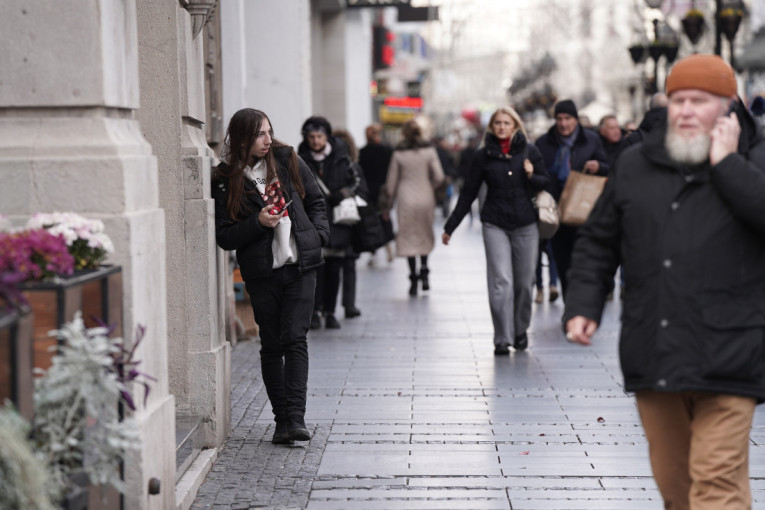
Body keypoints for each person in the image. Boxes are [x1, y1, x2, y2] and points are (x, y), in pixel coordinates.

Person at [563, 54, 765, 509]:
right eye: (678, 101)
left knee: (715, 484)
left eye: (700, 100)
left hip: (730, 356)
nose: (687, 110)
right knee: (677, 489)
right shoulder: (636, 165)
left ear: (730, 105)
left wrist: (727, 164)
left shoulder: (757, 155)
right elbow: (598, 242)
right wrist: (582, 306)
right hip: (656, 352)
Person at [212, 108, 329, 444]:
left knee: (295, 338)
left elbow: (317, 199)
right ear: (242, 138)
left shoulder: (286, 158)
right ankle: (281, 420)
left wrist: (317, 234)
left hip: (300, 265)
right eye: (259, 134)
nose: (267, 139)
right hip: (262, 272)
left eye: (268, 131)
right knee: (272, 344)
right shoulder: (225, 178)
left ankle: (296, 419)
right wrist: (257, 224)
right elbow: (224, 236)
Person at [442, 106, 549, 354]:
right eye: (497, 123)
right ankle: (502, 337)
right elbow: (469, 192)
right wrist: (451, 226)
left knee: (524, 282)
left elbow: (546, 182)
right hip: (495, 223)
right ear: (492, 127)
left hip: (526, 224)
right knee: (501, 282)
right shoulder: (482, 156)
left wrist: (532, 175)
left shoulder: (529, 150)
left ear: (515, 126)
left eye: (506, 123)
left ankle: (520, 330)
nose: (501, 127)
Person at [535, 99, 609, 297]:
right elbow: (537, 174)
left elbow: (607, 167)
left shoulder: (591, 140)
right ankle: (570, 303)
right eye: (559, 118)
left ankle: (579, 302)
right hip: (555, 212)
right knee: (562, 261)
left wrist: (598, 167)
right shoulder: (544, 143)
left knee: (582, 261)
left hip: (583, 211)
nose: (563, 123)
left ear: (575, 119)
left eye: (568, 118)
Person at [298, 116, 363, 329]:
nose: (315, 141)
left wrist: (342, 193)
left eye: (319, 136)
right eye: (311, 137)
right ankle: (315, 311)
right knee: (315, 270)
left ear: (327, 137)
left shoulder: (342, 158)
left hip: (337, 221)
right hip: (312, 220)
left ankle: (331, 311)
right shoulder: (300, 160)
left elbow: (356, 182)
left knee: (334, 269)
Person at [383, 118, 444, 296]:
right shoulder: (429, 151)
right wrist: (429, 187)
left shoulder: (398, 154)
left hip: (405, 197)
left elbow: (391, 183)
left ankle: (413, 277)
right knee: (424, 232)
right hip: (426, 195)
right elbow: (439, 176)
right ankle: (424, 268)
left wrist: (387, 204)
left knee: (408, 234)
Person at [329, 128, 364, 320]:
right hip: (349, 221)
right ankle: (348, 304)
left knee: (340, 264)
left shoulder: (347, 167)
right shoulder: (352, 167)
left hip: (342, 221)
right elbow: (363, 192)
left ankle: (338, 306)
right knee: (347, 265)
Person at [358, 123, 394, 265]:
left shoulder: (363, 152)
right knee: (383, 219)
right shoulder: (387, 151)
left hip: (369, 192)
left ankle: (375, 252)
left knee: (371, 222)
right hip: (382, 192)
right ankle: (387, 248)